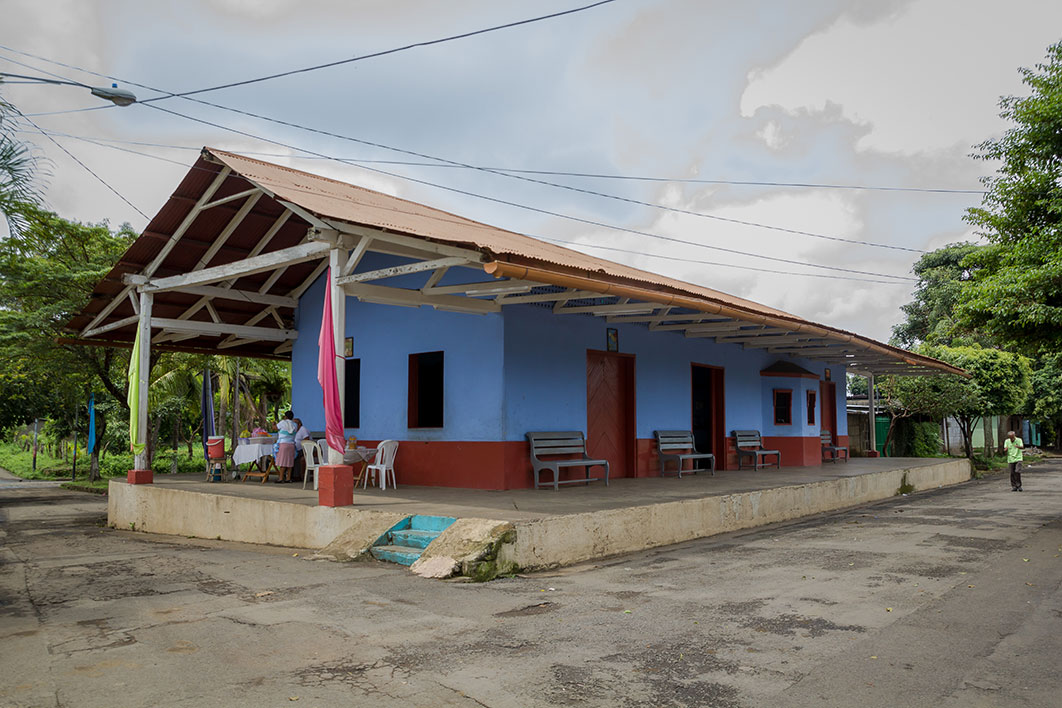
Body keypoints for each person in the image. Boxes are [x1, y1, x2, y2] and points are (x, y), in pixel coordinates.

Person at [273, 411, 297, 483]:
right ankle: (288, 478)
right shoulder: (295, 425)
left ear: (285, 417)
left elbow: (275, 428)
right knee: (289, 462)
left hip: (283, 443)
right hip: (291, 444)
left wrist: (273, 424)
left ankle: (281, 478)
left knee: (282, 461)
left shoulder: (283, 422)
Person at [292, 418, 311, 482]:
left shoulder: (303, 430)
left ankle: (296, 476)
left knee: (296, 457)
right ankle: (289, 475)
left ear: (299, 424)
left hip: (305, 450)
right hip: (295, 449)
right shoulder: (294, 430)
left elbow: (307, 440)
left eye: (295, 424)